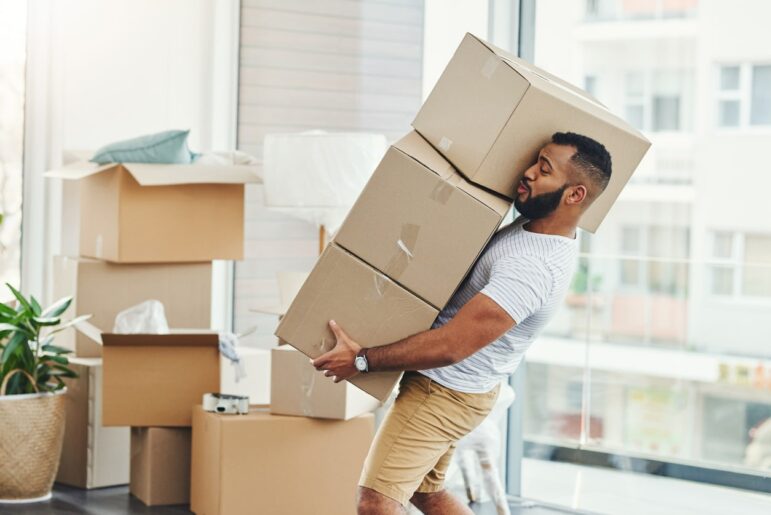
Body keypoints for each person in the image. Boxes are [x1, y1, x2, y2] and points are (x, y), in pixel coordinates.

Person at [312, 132, 613, 515]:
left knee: (376, 502)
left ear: (574, 195)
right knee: (427, 492)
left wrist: (361, 359)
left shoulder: (533, 268)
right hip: (460, 390)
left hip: (445, 393)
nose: (527, 173)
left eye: (544, 170)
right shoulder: (533, 230)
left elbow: (451, 346)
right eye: (535, 161)